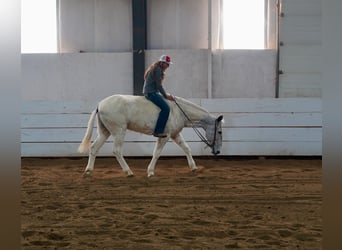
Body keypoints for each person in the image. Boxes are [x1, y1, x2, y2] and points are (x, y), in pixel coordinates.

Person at [143, 55, 175, 138]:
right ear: (162, 63)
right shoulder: (158, 70)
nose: (168, 66)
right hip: (151, 93)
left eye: (168, 64)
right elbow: (159, 86)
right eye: (166, 64)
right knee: (166, 108)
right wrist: (166, 96)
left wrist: (165, 94)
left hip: (152, 92)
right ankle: (158, 131)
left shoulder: (155, 68)